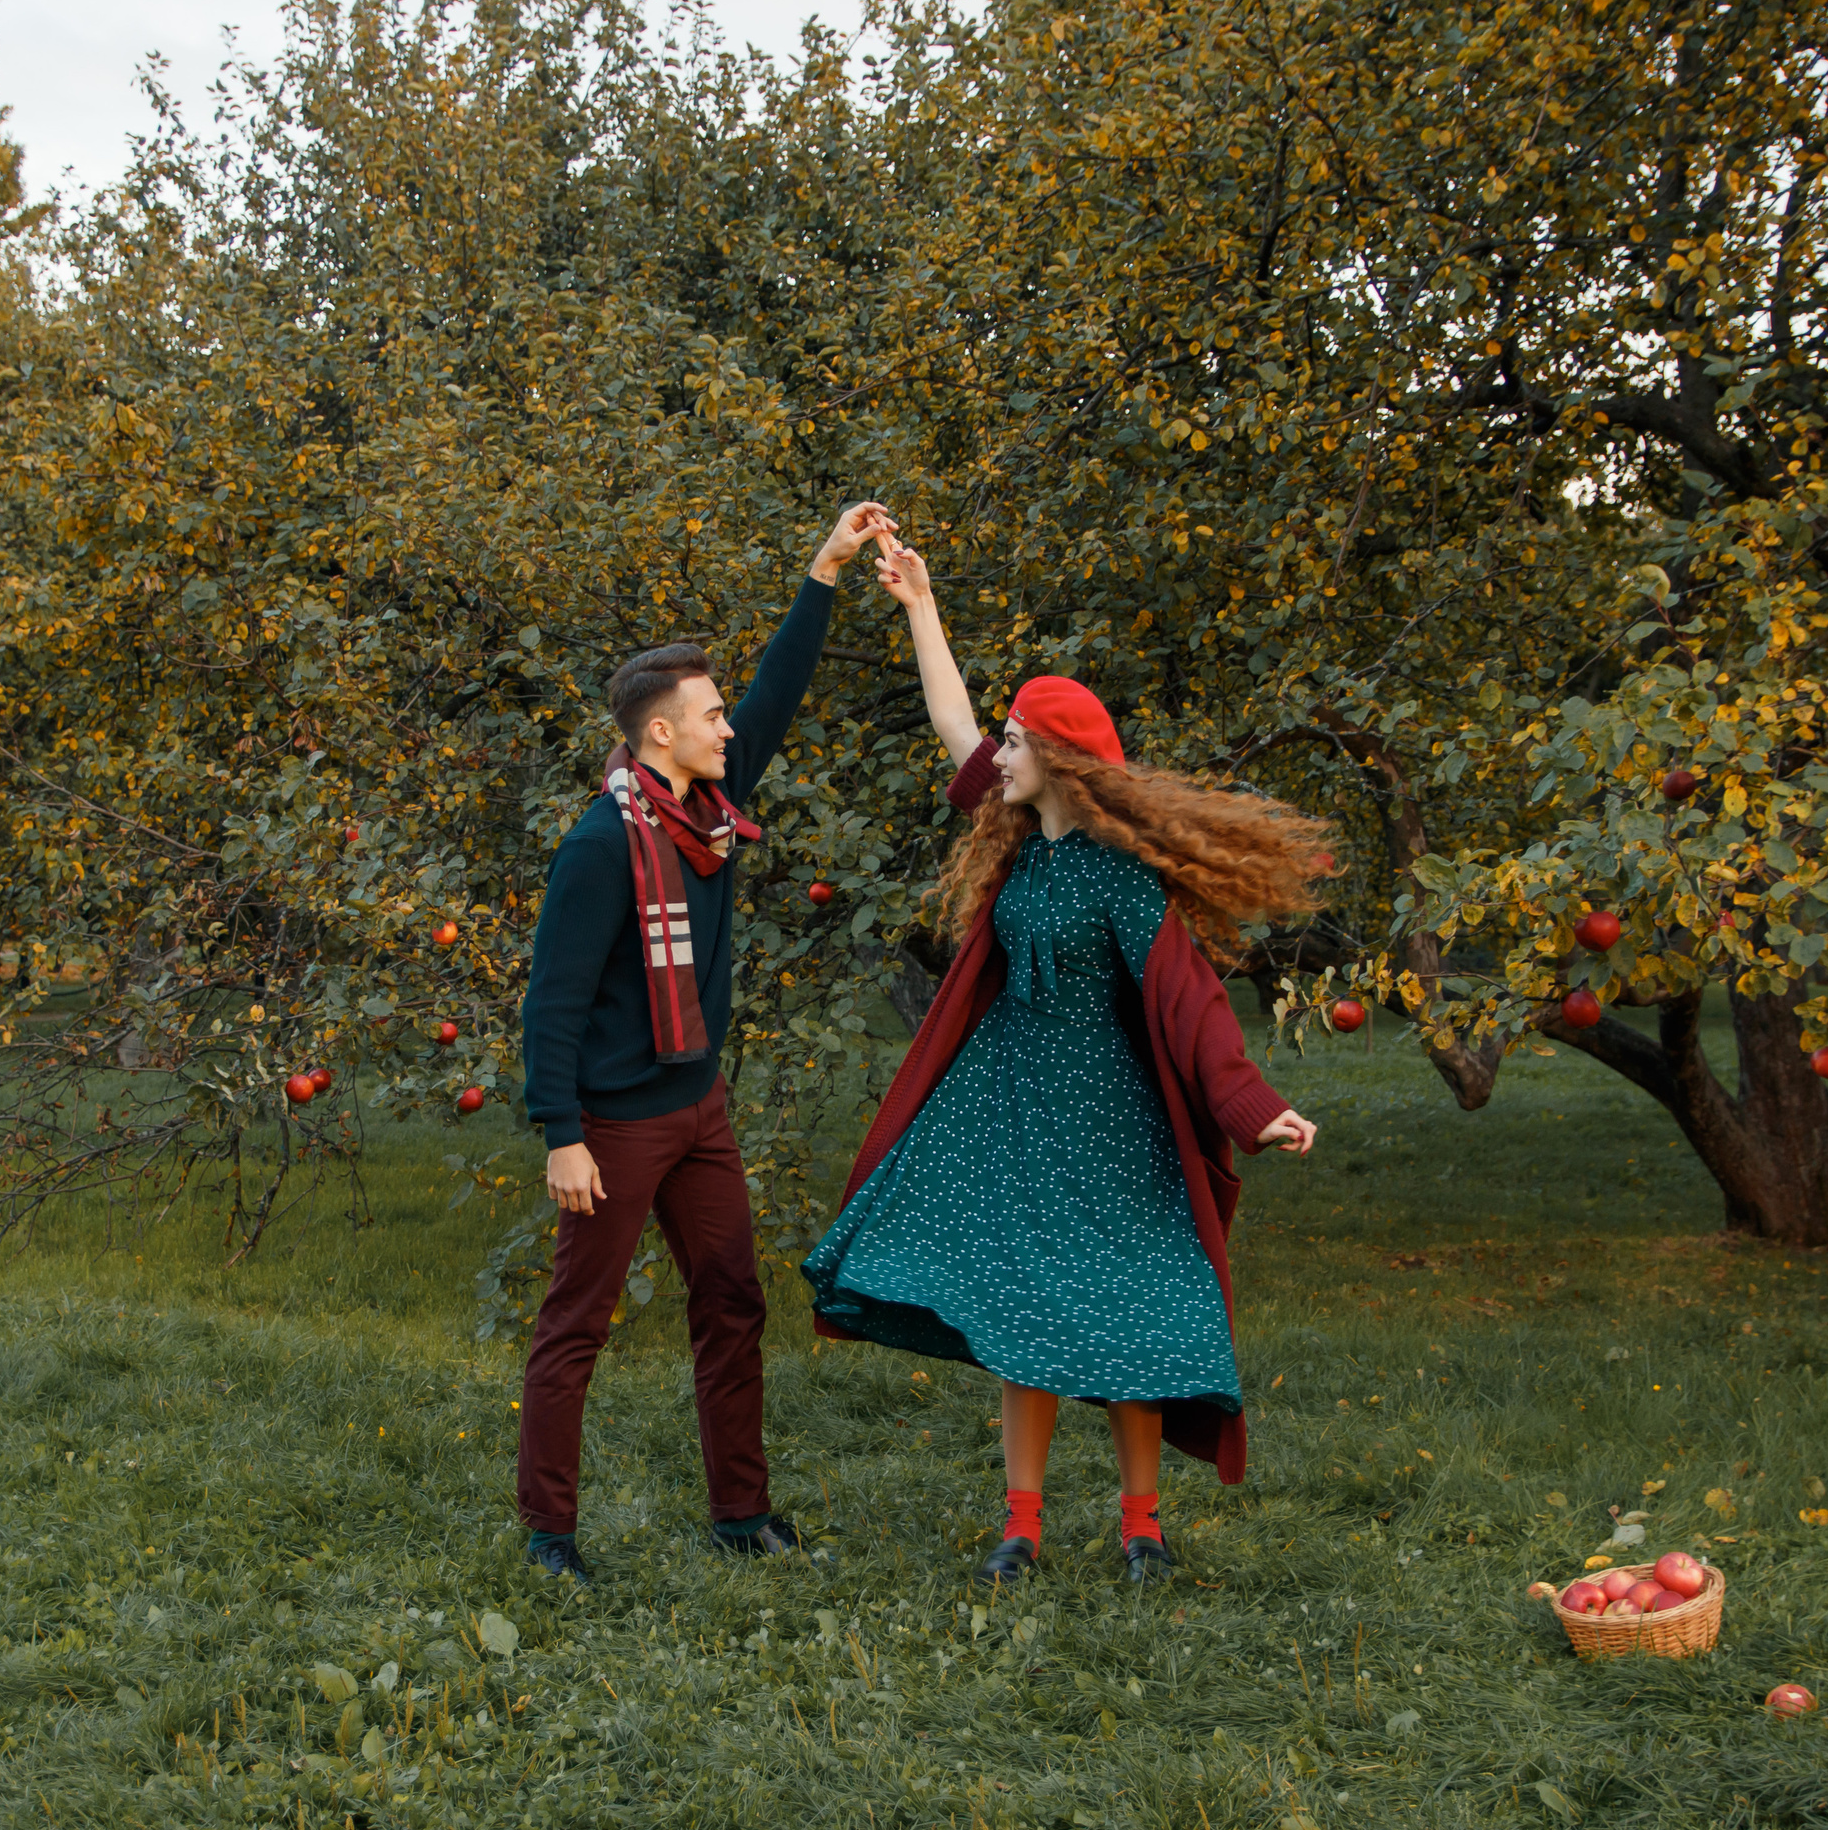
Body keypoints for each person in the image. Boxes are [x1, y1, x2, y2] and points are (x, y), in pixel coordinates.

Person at [803, 536, 1327, 1586]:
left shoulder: (1122, 880)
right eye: (999, 744)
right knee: (1017, 1308)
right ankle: (1021, 1530)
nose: (992, 756)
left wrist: (1251, 1106)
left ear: (1057, 759)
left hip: (1114, 1118)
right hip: (1010, 1104)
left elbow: (1188, 1002)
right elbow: (954, 724)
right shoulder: (1014, 834)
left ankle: (1141, 1531)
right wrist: (920, 607)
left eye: (1012, 743)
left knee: (1129, 1313)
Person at [516, 500, 892, 1583]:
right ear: (658, 736)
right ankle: (549, 1536)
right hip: (616, 1125)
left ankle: (741, 1514)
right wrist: (562, 1134)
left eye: (727, 718)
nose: (732, 728)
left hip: (698, 1110)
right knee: (576, 1323)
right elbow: (552, 1002)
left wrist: (824, 565)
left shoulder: (711, 816)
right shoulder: (601, 847)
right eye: (711, 717)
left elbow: (776, 694)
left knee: (732, 1298)